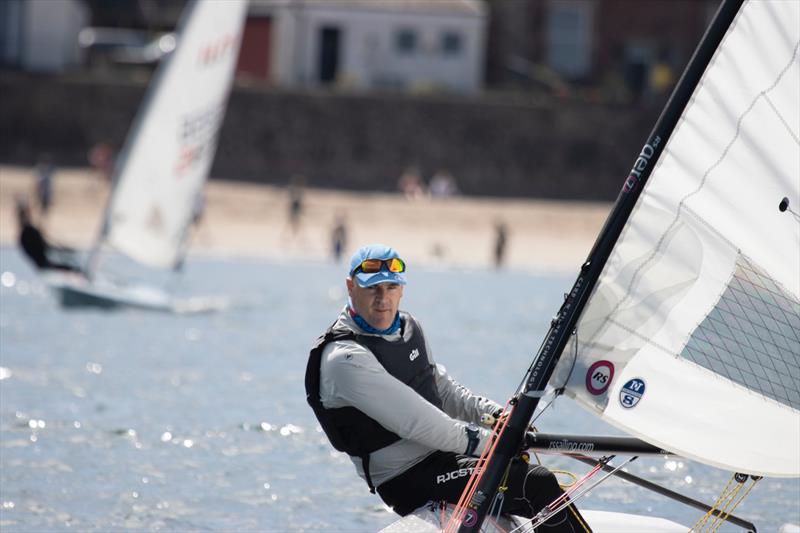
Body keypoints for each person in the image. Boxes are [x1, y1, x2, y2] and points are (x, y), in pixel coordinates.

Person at [305, 244, 589, 531]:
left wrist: (496, 416)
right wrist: (495, 444)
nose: (383, 299)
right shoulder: (345, 359)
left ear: (401, 290)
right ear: (350, 287)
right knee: (535, 483)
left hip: (442, 459)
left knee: (524, 476)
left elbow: (442, 390)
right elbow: (417, 423)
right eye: (372, 289)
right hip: (405, 479)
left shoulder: (408, 327)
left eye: (391, 287)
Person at [16, 199, 83, 274]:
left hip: (42, 267)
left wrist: (63, 249)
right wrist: (64, 250)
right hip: (45, 266)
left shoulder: (23, 235)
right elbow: (45, 247)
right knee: (72, 268)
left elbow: (44, 247)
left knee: (67, 263)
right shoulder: (29, 232)